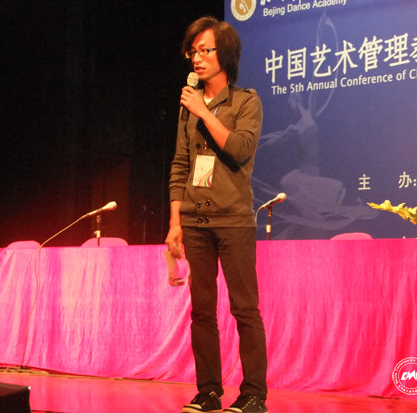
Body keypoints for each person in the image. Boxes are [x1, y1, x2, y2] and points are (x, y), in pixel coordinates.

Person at [165, 16, 268, 413]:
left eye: (204, 50)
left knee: (244, 308)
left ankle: (253, 394)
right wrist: (175, 221)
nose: (197, 58)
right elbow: (180, 165)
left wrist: (204, 112)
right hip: (194, 221)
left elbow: (240, 148)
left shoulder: (246, 101)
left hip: (233, 220)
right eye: (193, 52)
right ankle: (208, 391)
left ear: (224, 54)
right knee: (201, 311)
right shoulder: (187, 108)